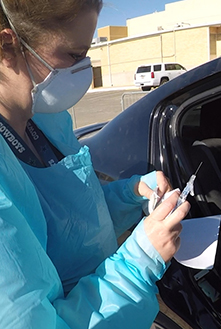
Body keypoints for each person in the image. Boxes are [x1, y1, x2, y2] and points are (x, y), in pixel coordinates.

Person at [0, 1, 190, 328]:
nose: (84, 68)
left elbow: (69, 226)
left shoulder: (44, 121)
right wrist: (139, 262)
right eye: (74, 55)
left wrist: (128, 196)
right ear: (7, 46)